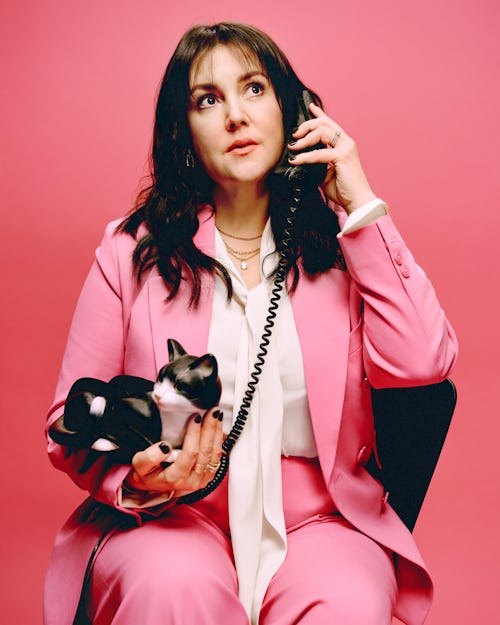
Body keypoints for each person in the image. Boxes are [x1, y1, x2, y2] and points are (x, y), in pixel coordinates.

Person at [44, 21, 458, 625]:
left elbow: (423, 364)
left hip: (321, 519)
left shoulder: (344, 251)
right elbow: (68, 418)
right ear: (185, 131)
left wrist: (360, 204)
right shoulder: (129, 251)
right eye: (208, 100)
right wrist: (137, 481)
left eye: (255, 89)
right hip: (174, 512)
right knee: (169, 588)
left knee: (348, 604)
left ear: (294, 111)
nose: (236, 116)